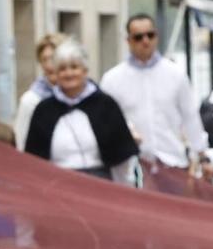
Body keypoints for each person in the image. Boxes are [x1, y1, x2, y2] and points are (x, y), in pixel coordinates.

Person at [100, 14, 207, 173]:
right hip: (131, 167)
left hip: (172, 162)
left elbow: (190, 116)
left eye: (150, 35)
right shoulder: (112, 80)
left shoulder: (176, 74)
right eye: (138, 37)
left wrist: (201, 156)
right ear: (128, 40)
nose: (146, 41)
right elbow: (106, 122)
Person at [21, 39, 137, 183]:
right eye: (62, 69)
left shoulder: (105, 105)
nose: (69, 73)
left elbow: (122, 158)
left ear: (85, 70)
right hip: (57, 185)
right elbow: (34, 161)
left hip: (100, 185)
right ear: (56, 73)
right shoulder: (44, 110)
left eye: (74, 67)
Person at [14, 33, 62, 149]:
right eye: (44, 60)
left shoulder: (81, 96)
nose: (48, 65)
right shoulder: (31, 100)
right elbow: (21, 142)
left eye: (53, 58)